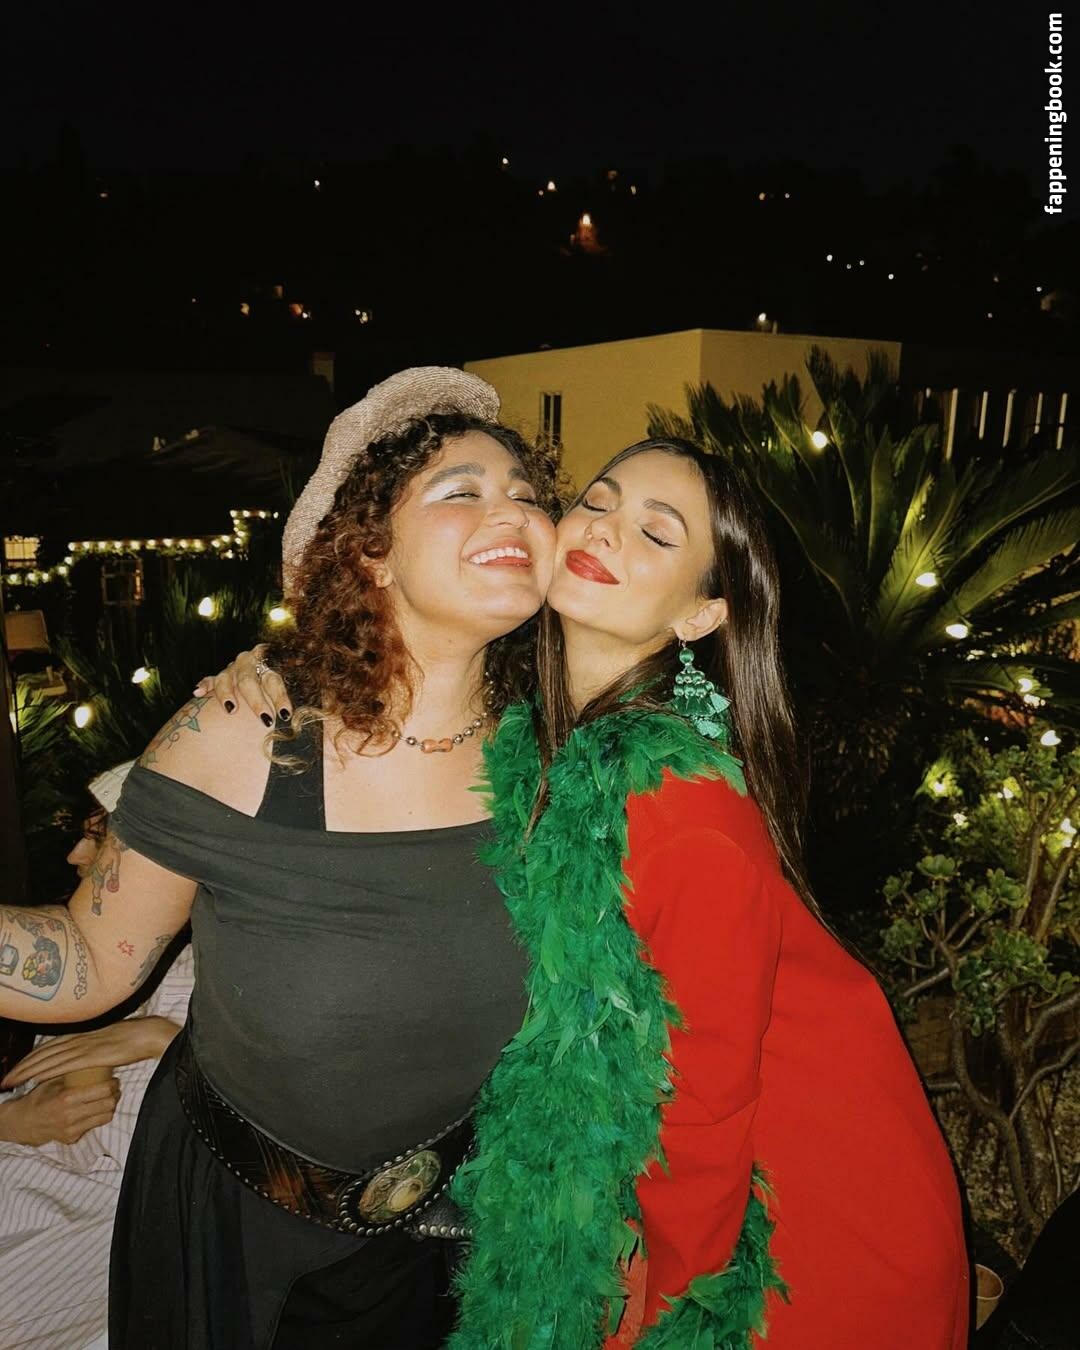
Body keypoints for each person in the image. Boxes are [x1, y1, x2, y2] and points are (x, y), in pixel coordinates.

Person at [214, 438, 971, 1346]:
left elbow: (701, 1107)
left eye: (657, 533)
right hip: (673, 1192)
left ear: (700, 614)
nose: (607, 531)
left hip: (796, 1231)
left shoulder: (683, 805)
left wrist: (671, 1319)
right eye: (599, 503)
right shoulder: (526, 739)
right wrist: (278, 669)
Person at [0, 366, 559, 1350]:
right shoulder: (252, 732)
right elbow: (84, 963)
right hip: (237, 1231)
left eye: (525, 492)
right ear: (371, 553)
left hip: (458, 1235)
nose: (510, 509)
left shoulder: (559, 748)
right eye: (460, 490)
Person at [0, 764, 192, 1350]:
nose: (75, 856)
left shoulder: (223, 965)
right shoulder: (68, 952)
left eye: (100, 835)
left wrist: (164, 1041)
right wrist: (10, 1120)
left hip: (94, 1225)